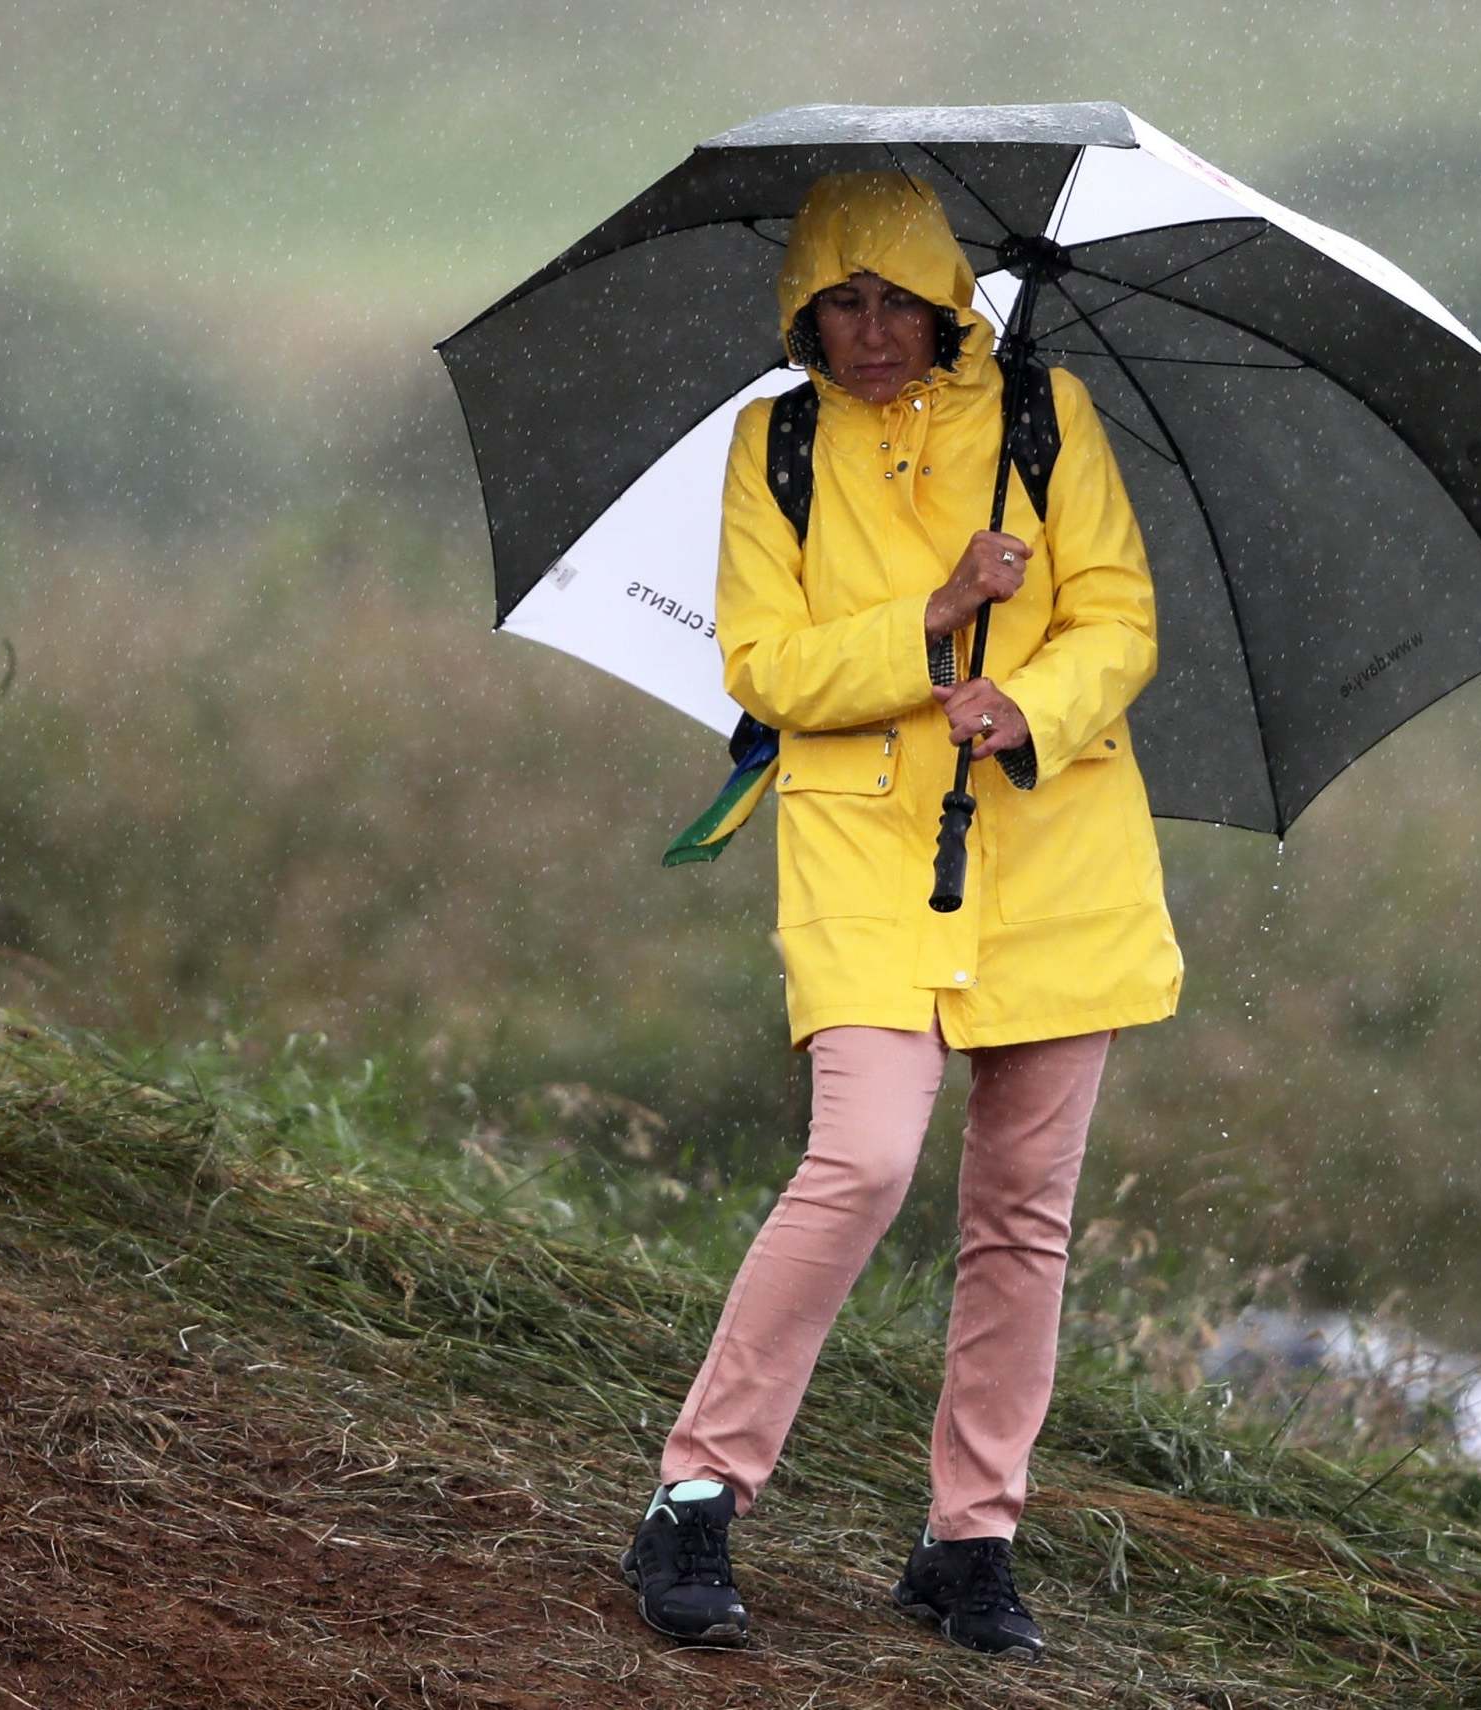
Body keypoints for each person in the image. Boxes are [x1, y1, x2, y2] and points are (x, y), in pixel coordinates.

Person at [620, 171, 1183, 1660]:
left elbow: (1120, 617)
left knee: (1023, 1217)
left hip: (1060, 850)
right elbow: (764, 665)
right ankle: (695, 1492)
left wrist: (1031, 699)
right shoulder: (778, 442)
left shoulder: (1050, 424)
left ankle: (970, 1539)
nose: (869, 330)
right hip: (865, 849)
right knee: (861, 1159)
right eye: (839, 302)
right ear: (802, 309)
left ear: (948, 300)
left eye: (896, 300)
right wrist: (932, 622)